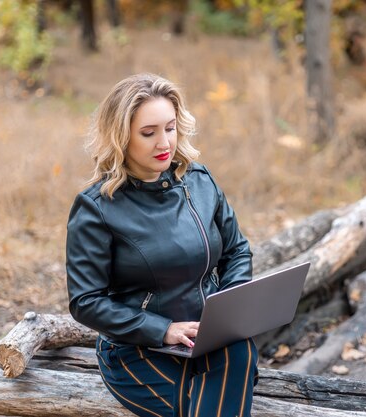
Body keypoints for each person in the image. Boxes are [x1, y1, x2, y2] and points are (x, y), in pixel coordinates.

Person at [65, 73, 258, 417]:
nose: (164, 143)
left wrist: (228, 309)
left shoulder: (199, 182)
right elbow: (85, 301)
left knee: (238, 351)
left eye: (169, 128)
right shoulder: (96, 207)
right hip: (137, 350)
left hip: (205, 337)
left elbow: (236, 251)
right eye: (148, 133)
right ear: (120, 138)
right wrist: (163, 330)